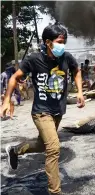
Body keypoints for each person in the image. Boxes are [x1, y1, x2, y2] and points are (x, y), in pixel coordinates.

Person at [1, 23, 85, 195]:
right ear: (48, 42)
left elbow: (77, 71)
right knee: (53, 148)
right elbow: (15, 78)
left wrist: (80, 92)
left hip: (57, 111)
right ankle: (55, 192)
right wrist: (6, 99)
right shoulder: (33, 59)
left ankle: (15, 150)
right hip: (41, 111)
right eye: (59, 41)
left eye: (64, 42)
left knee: (42, 144)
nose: (62, 45)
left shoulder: (66, 58)